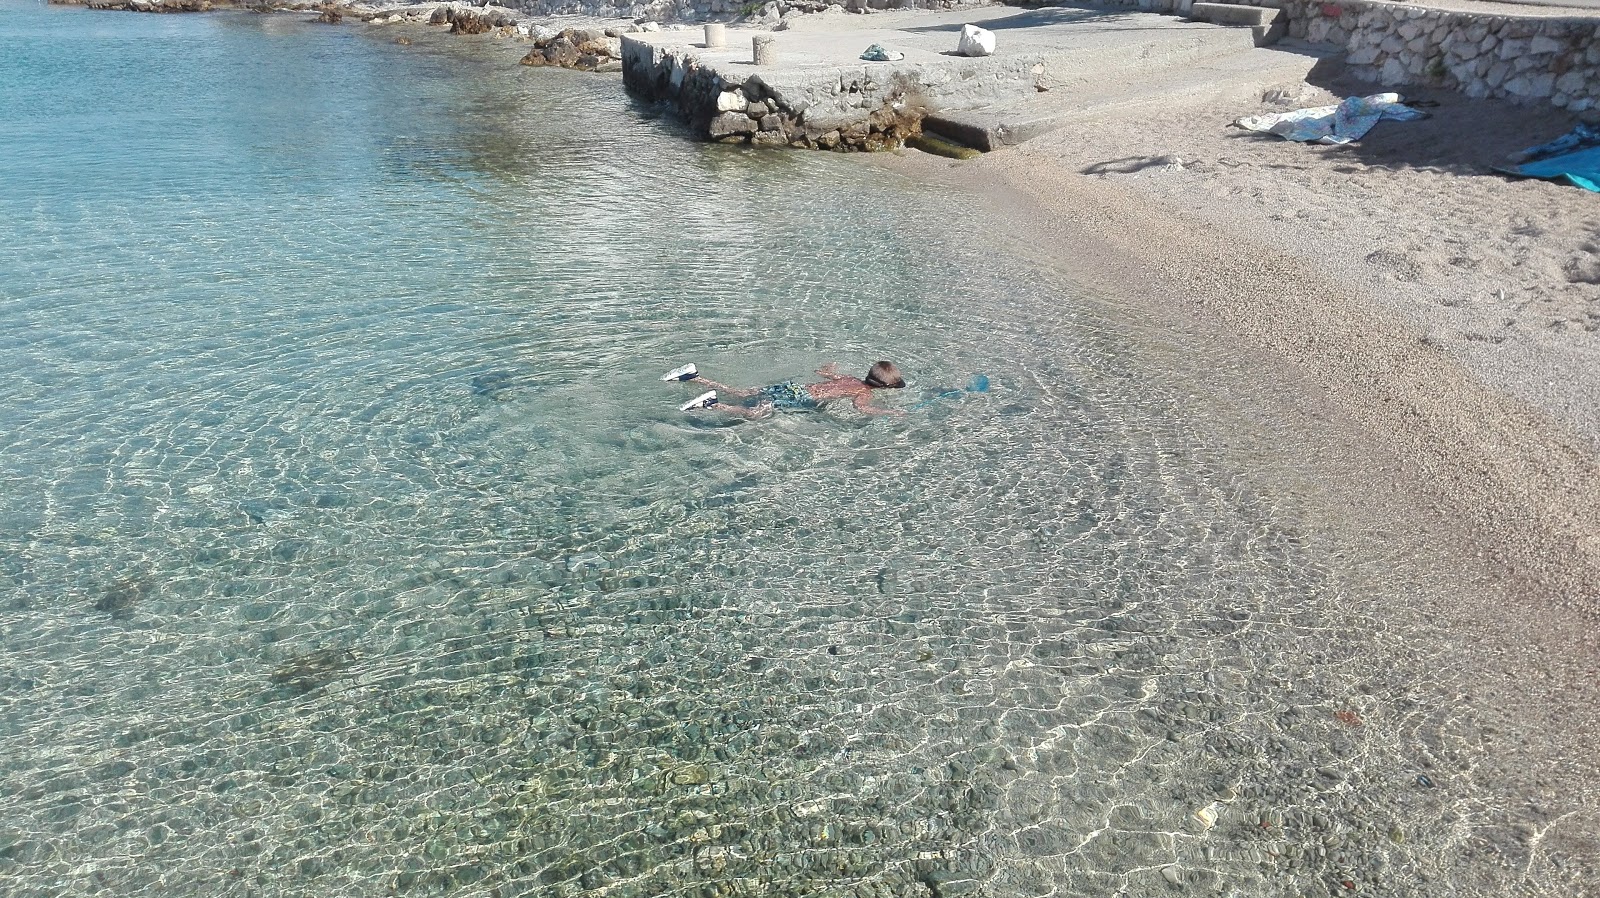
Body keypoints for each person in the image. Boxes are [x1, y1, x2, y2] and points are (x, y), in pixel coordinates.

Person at [684, 361, 906, 418]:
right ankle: (711, 404)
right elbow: (861, 409)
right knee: (754, 414)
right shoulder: (864, 393)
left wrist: (831, 368)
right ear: (885, 386)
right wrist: (889, 412)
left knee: (743, 393)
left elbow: (822, 372)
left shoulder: (849, 378)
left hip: (794, 387)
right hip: (800, 398)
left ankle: (695, 378)